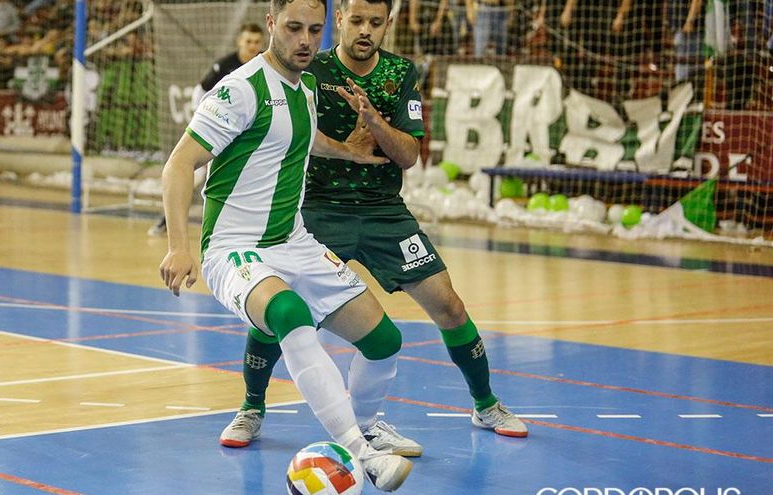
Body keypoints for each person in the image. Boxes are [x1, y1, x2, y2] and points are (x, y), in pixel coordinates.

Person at [219, 0, 528, 456]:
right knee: (276, 310)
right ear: (339, 20)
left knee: (449, 306)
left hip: (384, 212)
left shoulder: (400, 73)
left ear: (388, 25)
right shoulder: (310, 68)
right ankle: (251, 406)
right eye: (357, 20)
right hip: (317, 211)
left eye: (375, 23)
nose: (365, 30)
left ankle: (485, 404)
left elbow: (409, 155)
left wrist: (373, 120)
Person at [159, 0, 413, 490]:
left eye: (314, 30)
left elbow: (301, 136)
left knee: (385, 342)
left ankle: (360, 428)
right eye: (294, 28)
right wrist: (178, 246)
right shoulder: (240, 89)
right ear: (272, 23)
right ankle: (361, 455)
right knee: (291, 314)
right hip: (235, 248)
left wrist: (348, 152)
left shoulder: (308, 85)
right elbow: (178, 164)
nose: (305, 40)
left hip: (295, 242)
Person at [149, 22, 265, 237]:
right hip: (223, 132)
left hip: (250, 134)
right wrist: (204, 118)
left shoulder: (265, 64)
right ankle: (168, 221)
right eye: (248, 41)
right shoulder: (224, 66)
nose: (252, 46)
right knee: (196, 174)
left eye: (257, 42)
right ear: (239, 41)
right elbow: (200, 91)